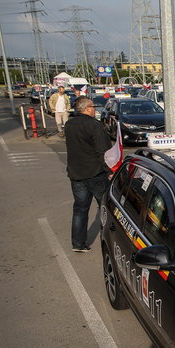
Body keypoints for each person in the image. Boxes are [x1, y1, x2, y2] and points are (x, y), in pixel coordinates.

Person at [65, 96, 112, 252]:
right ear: (87, 109)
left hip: (76, 173)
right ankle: (110, 241)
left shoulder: (69, 124)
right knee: (105, 207)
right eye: (93, 107)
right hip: (95, 173)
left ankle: (78, 243)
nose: (95, 110)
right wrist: (110, 171)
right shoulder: (94, 126)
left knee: (80, 209)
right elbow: (102, 151)